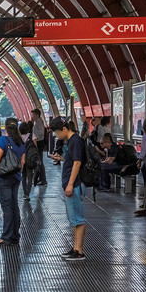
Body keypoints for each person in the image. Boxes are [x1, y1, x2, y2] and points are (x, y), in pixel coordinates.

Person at [49, 116, 87, 261]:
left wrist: (71, 184)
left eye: (57, 132)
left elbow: (77, 163)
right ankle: (76, 248)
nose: (57, 135)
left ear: (64, 129)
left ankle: (79, 251)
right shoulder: (73, 141)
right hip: (72, 183)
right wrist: (62, 159)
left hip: (75, 184)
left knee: (78, 218)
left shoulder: (75, 141)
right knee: (74, 218)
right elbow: (73, 160)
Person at [0, 118, 26, 246]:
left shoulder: (3, 140)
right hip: (15, 177)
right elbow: (22, 162)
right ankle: (15, 235)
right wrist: (17, 173)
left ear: (5, 128)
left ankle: (6, 237)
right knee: (14, 206)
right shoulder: (20, 142)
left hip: (3, 178)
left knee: (7, 207)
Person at [20, 122, 37, 201]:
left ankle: (24, 193)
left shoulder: (19, 137)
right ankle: (28, 193)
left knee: (23, 176)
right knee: (30, 176)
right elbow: (35, 147)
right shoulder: (32, 136)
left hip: (22, 158)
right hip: (30, 158)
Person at [31, 109, 47, 186]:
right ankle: (41, 178)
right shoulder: (37, 122)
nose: (32, 116)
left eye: (33, 115)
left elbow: (39, 135)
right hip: (38, 143)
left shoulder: (39, 123)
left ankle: (43, 179)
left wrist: (35, 142)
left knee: (40, 162)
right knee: (39, 161)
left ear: (37, 115)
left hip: (39, 143)